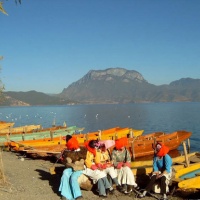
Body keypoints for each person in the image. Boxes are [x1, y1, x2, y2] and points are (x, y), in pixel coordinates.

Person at [59, 135, 84, 200]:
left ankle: (78, 195)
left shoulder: (81, 150)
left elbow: (83, 159)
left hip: (78, 167)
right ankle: (64, 194)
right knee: (65, 173)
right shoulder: (67, 151)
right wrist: (64, 158)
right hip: (70, 167)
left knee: (73, 177)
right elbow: (65, 162)